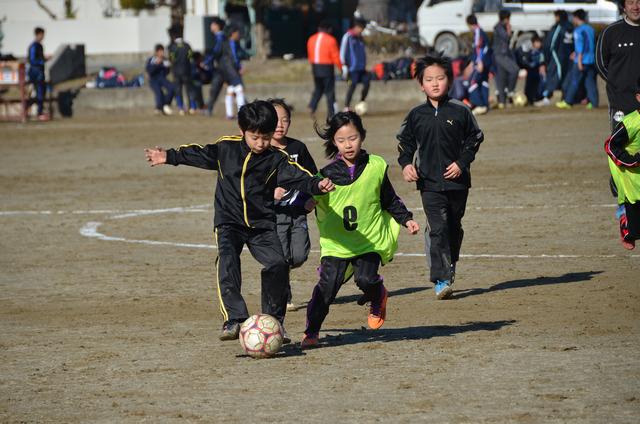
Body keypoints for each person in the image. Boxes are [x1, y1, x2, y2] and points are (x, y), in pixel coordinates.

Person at [144, 100, 335, 341]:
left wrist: (317, 185)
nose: (261, 143)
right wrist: (169, 156)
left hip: (262, 224)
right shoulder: (227, 148)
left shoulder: (277, 159)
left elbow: (299, 176)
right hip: (228, 220)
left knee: (277, 264)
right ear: (242, 130)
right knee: (227, 260)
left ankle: (273, 322)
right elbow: (198, 154)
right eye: (255, 137)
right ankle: (234, 319)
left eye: (266, 137)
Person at [301, 112, 420, 349]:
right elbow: (306, 200)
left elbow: (389, 199)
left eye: (352, 138)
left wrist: (406, 219)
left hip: (369, 239)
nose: (348, 145)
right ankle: (311, 332)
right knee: (326, 288)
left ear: (362, 137)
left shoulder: (376, 166)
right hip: (337, 243)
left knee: (365, 278)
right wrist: (309, 201)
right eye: (341, 140)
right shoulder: (325, 175)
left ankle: (378, 296)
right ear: (334, 142)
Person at [397, 54, 484, 300]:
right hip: (429, 183)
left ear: (449, 80)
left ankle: (449, 263)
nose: (435, 84)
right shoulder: (416, 115)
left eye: (440, 78)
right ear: (421, 84)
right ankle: (441, 279)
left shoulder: (460, 110)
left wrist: (461, 163)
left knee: (453, 227)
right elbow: (405, 143)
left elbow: (475, 138)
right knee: (438, 228)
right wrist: (406, 165)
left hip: (458, 182)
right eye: (429, 79)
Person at [596, 0, 640, 250]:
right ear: (623, 6)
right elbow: (602, 65)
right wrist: (620, 88)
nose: (636, 5)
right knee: (620, 160)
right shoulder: (611, 33)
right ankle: (624, 213)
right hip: (623, 108)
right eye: (631, 1)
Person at [267, 98, 318, 311]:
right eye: (275, 120)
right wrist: (271, 192)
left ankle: (284, 274)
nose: (280, 125)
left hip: (298, 212)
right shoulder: (262, 149)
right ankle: (283, 296)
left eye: (285, 120)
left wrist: (311, 198)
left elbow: (312, 176)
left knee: (299, 255)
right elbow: (251, 182)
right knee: (281, 256)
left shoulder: (298, 147)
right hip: (275, 214)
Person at [604, 78, 640, 250]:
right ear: (639, 97)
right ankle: (626, 223)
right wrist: (631, 160)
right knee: (632, 237)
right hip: (630, 177)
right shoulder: (631, 123)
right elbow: (610, 145)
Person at [556, 9, 598, 110]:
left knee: (574, 81)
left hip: (581, 60)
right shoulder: (591, 29)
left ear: (576, 18)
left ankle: (568, 101)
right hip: (591, 60)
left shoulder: (578, 30)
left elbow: (581, 46)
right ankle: (594, 102)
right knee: (590, 82)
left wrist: (579, 60)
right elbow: (589, 45)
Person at [537, 10, 573, 106]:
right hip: (568, 57)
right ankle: (565, 97)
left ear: (558, 17)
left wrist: (545, 59)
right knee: (565, 77)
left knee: (554, 75)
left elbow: (550, 44)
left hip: (557, 56)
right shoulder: (571, 27)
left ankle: (547, 97)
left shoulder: (559, 27)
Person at [307, 21, 342, 119]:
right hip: (327, 67)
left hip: (315, 67)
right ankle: (331, 114)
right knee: (330, 91)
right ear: (328, 29)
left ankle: (311, 106)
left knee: (318, 88)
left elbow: (310, 54)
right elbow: (335, 56)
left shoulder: (311, 39)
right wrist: (341, 68)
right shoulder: (331, 40)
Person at [219, 24, 249, 120]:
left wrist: (240, 67)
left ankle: (229, 114)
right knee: (239, 90)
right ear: (233, 33)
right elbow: (222, 59)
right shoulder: (224, 44)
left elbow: (237, 58)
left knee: (231, 91)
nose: (239, 34)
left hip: (234, 70)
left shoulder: (236, 44)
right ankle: (242, 114)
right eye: (237, 33)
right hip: (229, 71)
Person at [340, 18, 370, 112]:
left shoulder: (360, 38)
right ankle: (346, 106)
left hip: (361, 67)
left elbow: (362, 52)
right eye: (361, 28)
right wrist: (344, 66)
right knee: (352, 86)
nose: (362, 31)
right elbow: (342, 52)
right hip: (352, 68)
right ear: (356, 27)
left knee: (367, 83)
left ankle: (362, 102)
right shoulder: (347, 36)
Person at [465, 14, 492, 115]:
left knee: (472, 82)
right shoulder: (481, 32)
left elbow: (481, 49)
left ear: (470, 24)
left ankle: (480, 105)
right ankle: (485, 105)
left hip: (482, 63)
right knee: (483, 81)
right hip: (486, 62)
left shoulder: (478, 33)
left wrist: (479, 62)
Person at [493, 10, 519, 109]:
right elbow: (506, 37)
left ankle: (503, 101)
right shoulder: (499, 27)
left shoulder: (499, 26)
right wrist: (509, 29)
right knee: (514, 70)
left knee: (502, 77)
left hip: (503, 55)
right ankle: (510, 92)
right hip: (500, 55)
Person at [167, 25, 194, 115]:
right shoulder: (187, 45)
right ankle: (192, 107)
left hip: (176, 71)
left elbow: (172, 59)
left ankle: (181, 108)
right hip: (187, 70)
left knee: (178, 90)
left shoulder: (172, 47)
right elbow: (190, 57)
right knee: (189, 89)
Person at [204, 17, 227, 116]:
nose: (211, 26)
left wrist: (207, 61)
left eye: (212, 24)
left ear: (217, 26)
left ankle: (208, 109)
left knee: (215, 88)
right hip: (223, 67)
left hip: (223, 68)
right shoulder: (220, 37)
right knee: (236, 89)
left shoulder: (220, 37)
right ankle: (208, 108)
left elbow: (216, 52)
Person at [145, 44, 174, 116]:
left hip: (162, 78)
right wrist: (156, 64)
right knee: (159, 92)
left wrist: (168, 67)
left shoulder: (165, 60)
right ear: (157, 52)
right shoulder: (152, 60)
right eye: (160, 52)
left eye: (163, 51)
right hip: (154, 79)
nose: (162, 53)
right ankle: (158, 108)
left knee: (172, 87)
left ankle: (165, 104)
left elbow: (167, 72)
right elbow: (149, 70)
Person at [27, 27, 48, 120]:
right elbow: (32, 60)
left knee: (42, 92)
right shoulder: (34, 46)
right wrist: (42, 61)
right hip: (35, 73)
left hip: (40, 72)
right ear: (38, 34)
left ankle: (30, 107)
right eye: (42, 34)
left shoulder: (40, 45)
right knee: (39, 92)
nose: (43, 36)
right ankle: (39, 113)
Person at [523, 34, 546, 105]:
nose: (539, 44)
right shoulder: (529, 52)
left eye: (540, 42)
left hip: (537, 73)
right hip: (530, 72)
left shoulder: (541, 52)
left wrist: (542, 67)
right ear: (533, 43)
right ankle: (529, 98)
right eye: (537, 42)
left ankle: (537, 98)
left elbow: (542, 62)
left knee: (538, 85)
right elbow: (526, 61)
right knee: (529, 86)